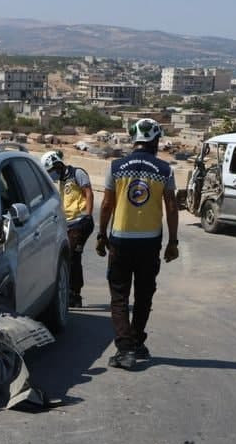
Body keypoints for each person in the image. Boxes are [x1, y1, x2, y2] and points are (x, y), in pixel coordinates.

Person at [95, 118, 179, 369]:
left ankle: (125, 349)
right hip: (150, 243)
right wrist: (173, 241)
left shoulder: (116, 167)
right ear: (155, 141)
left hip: (120, 241)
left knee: (119, 296)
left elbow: (108, 204)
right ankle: (136, 342)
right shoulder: (165, 170)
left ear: (134, 140)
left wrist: (101, 235)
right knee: (144, 295)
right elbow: (172, 207)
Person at [42, 150, 94, 308]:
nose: (51, 175)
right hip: (70, 224)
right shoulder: (63, 179)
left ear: (57, 165)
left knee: (73, 257)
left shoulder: (77, 173)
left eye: (50, 171)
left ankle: (75, 294)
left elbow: (89, 193)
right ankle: (72, 292)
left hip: (81, 222)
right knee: (70, 257)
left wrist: (88, 215)